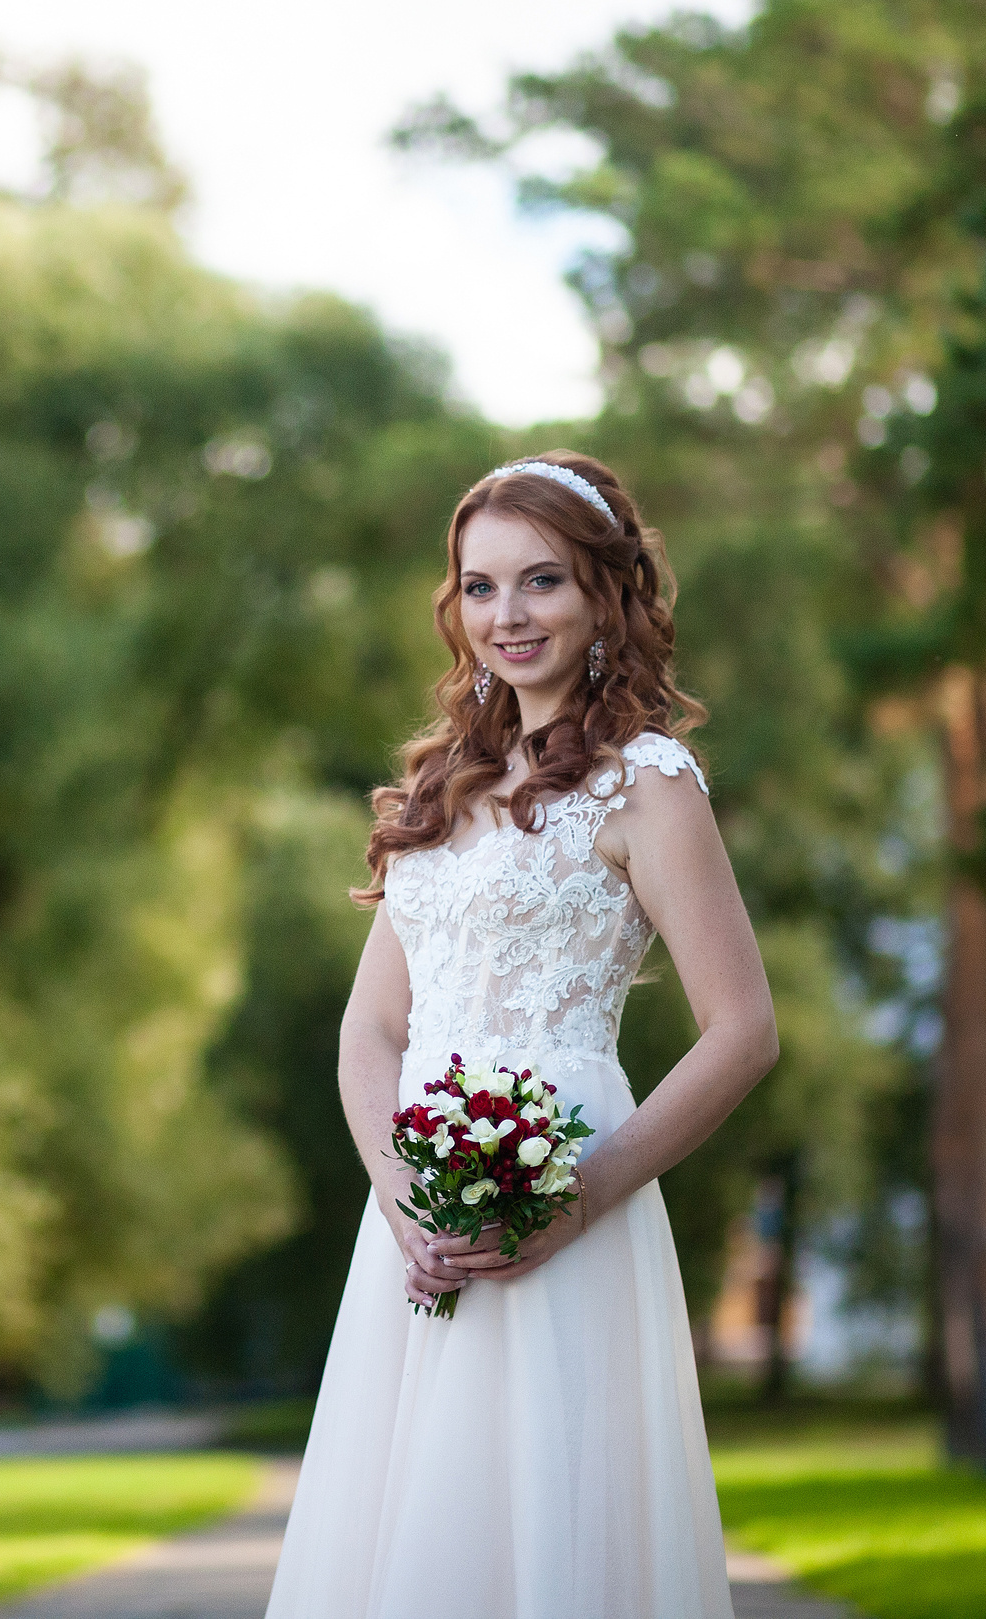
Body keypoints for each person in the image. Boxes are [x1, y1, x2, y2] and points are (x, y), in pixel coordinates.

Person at [264, 453, 776, 1618]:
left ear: (605, 593)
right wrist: (399, 1197)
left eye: (541, 581)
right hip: (418, 1220)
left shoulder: (648, 785)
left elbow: (742, 1033)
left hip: (571, 1184)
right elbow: (371, 1030)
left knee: (554, 1528)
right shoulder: (440, 786)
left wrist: (582, 1196)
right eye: (481, 587)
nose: (509, 615)